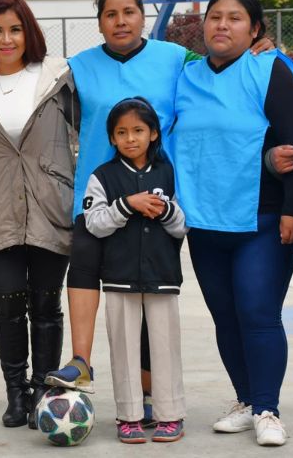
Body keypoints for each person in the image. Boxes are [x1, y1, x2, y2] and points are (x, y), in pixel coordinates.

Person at [45, 0, 274, 426]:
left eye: (129, 11)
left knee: (147, 296)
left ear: (143, 17)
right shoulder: (76, 66)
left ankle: (148, 397)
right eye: (111, 14)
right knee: (85, 267)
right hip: (97, 192)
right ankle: (80, 361)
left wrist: (257, 48)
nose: (121, 21)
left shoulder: (174, 59)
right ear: (99, 23)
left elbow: (218, 66)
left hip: (156, 196)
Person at [171, 0, 293, 447]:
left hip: (261, 219)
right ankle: (246, 400)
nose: (222, 25)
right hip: (204, 222)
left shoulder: (270, 69)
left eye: (235, 18)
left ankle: (268, 408)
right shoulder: (185, 76)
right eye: (214, 17)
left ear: (255, 31)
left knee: (257, 312)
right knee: (225, 316)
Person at [0, 0, 76, 429]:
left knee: (46, 306)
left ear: (27, 31)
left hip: (51, 205)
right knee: (6, 305)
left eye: (14, 29)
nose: (6, 39)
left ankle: (44, 391)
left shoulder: (59, 75)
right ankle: (16, 394)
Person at [80, 97, 187, 444]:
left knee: (164, 344)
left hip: (163, 276)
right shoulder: (103, 176)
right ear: (111, 138)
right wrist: (128, 204)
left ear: (154, 133)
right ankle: (129, 415)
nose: (130, 138)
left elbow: (184, 226)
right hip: (119, 276)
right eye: (121, 132)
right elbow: (94, 224)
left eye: (138, 130)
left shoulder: (170, 173)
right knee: (123, 346)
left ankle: (169, 413)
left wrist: (166, 209)